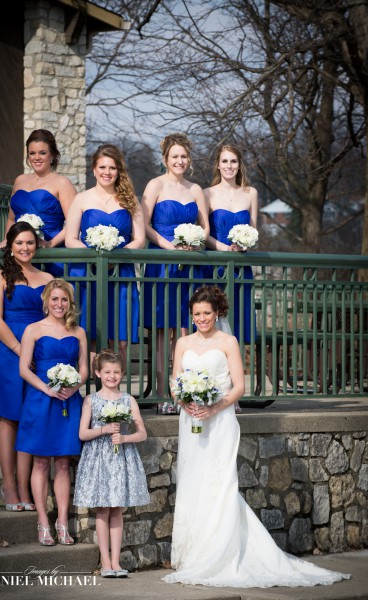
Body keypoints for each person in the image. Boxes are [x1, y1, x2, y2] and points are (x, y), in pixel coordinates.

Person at [163, 285, 350, 588]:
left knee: (219, 483)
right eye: (197, 314)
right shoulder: (183, 343)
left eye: (207, 313)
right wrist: (186, 403)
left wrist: (214, 407)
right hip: (191, 420)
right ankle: (192, 553)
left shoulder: (228, 342)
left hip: (220, 420)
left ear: (217, 313)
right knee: (192, 480)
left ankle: (220, 553)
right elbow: (175, 382)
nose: (202, 318)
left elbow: (238, 386)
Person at [0, 222, 53, 511]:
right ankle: (9, 486)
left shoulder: (47, 277)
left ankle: (24, 487)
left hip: (39, 350)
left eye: (29, 242)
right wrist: (21, 351)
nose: (25, 248)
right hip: (9, 350)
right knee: (8, 418)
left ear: (37, 245)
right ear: (9, 246)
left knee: (29, 416)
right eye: (19, 243)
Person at [15, 279, 88, 545]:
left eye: (64, 299)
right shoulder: (33, 330)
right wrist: (46, 389)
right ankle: (43, 522)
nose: (59, 304)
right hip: (41, 399)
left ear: (70, 303)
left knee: (63, 464)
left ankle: (62, 522)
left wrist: (74, 387)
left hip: (68, 401)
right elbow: (24, 369)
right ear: (46, 301)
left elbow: (84, 369)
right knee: (41, 462)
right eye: (55, 299)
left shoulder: (78, 332)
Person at [141, 133, 209, 404]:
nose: (180, 161)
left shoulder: (196, 190)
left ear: (189, 160)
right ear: (165, 159)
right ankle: (161, 393)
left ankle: (183, 390)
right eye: (175, 157)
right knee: (162, 328)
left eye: (184, 156)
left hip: (189, 265)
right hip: (161, 261)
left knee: (185, 328)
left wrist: (195, 242)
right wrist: (169, 247)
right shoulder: (155, 185)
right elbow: (144, 224)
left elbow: (205, 228)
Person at [65, 144, 145, 365]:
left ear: (118, 171)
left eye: (112, 168)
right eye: (102, 167)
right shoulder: (81, 199)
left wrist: (117, 254)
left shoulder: (130, 200)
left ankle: (117, 384)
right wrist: (96, 254)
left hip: (121, 273)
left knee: (121, 337)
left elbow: (139, 240)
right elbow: (70, 239)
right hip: (87, 274)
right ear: (94, 169)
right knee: (90, 333)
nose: (107, 172)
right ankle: (92, 384)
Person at [73, 349, 150, 577]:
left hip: (120, 459)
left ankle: (116, 562)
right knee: (103, 509)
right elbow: (82, 433)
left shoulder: (128, 400)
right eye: (107, 372)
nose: (112, 376)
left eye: (116, 372)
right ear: (97, 373)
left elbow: (142, 433)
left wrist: (125, 438)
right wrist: (104, 429)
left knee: (117, 509)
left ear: (122, 374)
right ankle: (105, 563)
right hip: (99, 460)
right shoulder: (91, 400)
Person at [205, 144, 259, 413]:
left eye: (233, 161)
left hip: (241, 270)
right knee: (216, 327)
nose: (229, 166)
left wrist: (245, 243)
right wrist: (225, 248)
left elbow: (254, 230)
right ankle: (215, 390)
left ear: (239, 165)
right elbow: (204, 233)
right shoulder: (207, 193)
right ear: (218, 164)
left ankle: (233, 393)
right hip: (215, 268)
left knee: (235, 330)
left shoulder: (251, 193)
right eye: (225, 161)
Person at [0, 128, 77, 277]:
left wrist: (50, 243)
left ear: (52, 155)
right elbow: (11, 219)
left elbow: (74, 223)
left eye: (42, 153)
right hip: (21, 255)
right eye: (32, 153)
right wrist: (8, 240)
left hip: (51, 256)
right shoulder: (19, 180)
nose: (37, 158)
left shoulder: (62, 183)